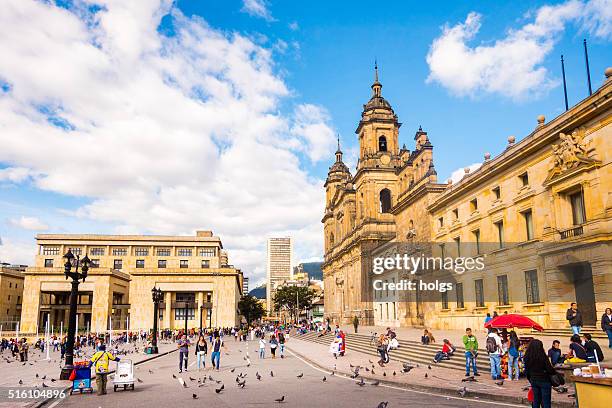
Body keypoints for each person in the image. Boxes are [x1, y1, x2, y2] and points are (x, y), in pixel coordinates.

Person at [524, 339, 556, 408]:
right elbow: (550, 369)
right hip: (544, 381)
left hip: (534, 380)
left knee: (536, 400)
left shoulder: (527, 357)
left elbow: (526, 370)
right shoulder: (543, 357)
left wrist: (530, 379)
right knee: (546, 402)